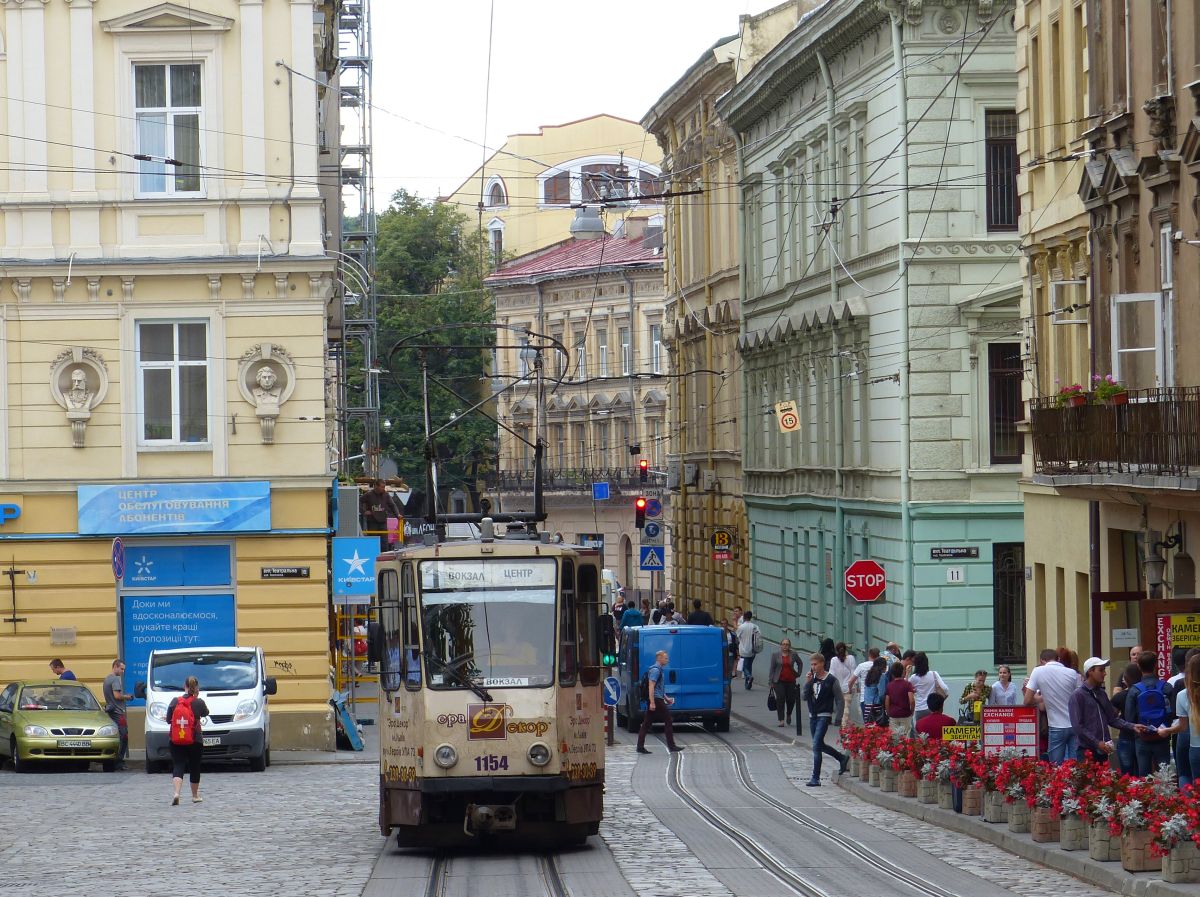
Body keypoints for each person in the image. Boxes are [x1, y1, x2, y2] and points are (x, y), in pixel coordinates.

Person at [1070, 657, 1145, 763]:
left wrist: (1132, 726)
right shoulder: (1078, 695)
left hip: (1103, 748)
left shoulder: (1101, 694)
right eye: (1101, 670)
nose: (1104, 673)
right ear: (1090, 671)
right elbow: (1078, 727)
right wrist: (1097, 742)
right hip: (1086, 750)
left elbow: (1112, 719)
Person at [1024, 647, 1082, 764]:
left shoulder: (1038, 671)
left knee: (1056, 766)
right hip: (1075, 724)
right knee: (1075, 766)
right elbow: (1081, 699)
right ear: (1058, 659)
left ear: (1041, 661)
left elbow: (1027, 700)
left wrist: (1042, 697)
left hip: (1056, 725)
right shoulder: (1073, 674)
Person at [801, 652, 847, 786]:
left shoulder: (831, 680)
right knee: (819, 744)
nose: (813, 667)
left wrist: (838, 717)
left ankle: (815, 777)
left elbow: (840, 699)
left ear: (822, 664)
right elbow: (804, 697)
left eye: (815, 664)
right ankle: (841, 758)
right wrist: (807, 683)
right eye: (812, 665)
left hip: (824, 715)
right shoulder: (812, 679)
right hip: (812, 716)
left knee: (816, 745)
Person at [1125, 650, 1173, 776]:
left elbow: (1129, 717)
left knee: (1144, 777)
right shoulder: (1166, 687)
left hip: (1142, 737)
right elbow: (1174, 714)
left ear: (1139, 666)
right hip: (1162, 736)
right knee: (1164, 777)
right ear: (1155, 665)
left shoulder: (1134, 690)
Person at [167, 676, 210, 805]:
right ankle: (195, 795)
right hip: (195, 739)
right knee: (194, 766)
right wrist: (196, 696)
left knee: (178, 764)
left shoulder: (175, 701)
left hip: (176, 740)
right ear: (196, 688)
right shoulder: (199, 702)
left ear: (183, 686)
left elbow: (168, 719)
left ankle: (176, 793)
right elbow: (206, 713)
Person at [636, 650, 682, 755]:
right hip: (656, 700)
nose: (667, 659)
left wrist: (666, 698)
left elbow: (658, 688)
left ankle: (640, 746)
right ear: (659, 658)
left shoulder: (659, 670)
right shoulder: (656, 670)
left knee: (646, 723)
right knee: (668, 720)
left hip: (658, 698)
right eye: (665, 658)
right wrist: (652, 702)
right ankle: (671, 745)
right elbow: (651, 686)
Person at [1112, 662, 1142, 775]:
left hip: (1126, 736)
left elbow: (1112, 716)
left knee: (1127, 772)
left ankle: (1129, 791)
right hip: (1143, 736)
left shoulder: (1120, 696)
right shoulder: (1144, 693)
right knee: (1142, 771)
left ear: (1125, 679)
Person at [102, 659, 129, 770]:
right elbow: (117, 696)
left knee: (116, 736)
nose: (122, 671)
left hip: (111, 711)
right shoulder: (115, 680)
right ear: (116, 666)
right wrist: (127, 697)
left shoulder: (106, 679)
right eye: (121, 669)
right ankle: (119, 761)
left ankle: (114, 760)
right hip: (118, 712)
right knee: (124, 736)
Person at [908, 652, 949, 726]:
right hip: (932, 708)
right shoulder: (934, 674)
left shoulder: (913, 678)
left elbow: (906, 688)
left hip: (919, 709)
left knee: (921, 733)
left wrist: (907, 674)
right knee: (933, 730)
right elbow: (945, 689)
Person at [768, 638, 801, 727]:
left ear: (789, 646)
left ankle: (789, 713)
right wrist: (770, 681)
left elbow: (800, 663)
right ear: (781, 645)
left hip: (790, 680)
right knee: (780, 699)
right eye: (783, 644)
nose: (785, 646)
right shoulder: (775, 655)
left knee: (791, 700)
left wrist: (798, 673)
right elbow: (772, 668)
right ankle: (781, 720)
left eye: (787, 644)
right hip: (778, 681)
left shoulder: (793, 654)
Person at [359, 479, 400, 549]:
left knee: (384, 543)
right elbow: (359, 501)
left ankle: (385, 556)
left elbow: (392, 505)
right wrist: (363, 511)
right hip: (372, 522)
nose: (383, 489)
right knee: (372, 542)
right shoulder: (369, 494)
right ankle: (373, 556)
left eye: (384, 487)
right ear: (376, 486)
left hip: (383, 522)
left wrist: (398, 514)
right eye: (382, 487)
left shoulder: (386, 495)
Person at [884, 661, 915, 737]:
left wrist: (888, 712)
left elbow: (887, 702)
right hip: (905, 714)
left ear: (892, 674)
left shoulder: (889, 686)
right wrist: (912, 711)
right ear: (902, 672)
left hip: (893, 714)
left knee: (895, 738)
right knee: (906, 736)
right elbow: (912, 700)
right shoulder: (908, 684)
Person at [829, 642, 858, 723]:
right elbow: (854, 672)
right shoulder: (851, 658)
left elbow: (832, 674)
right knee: (846, 707)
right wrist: (855, 685)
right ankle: (843, 723)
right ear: (846, 649)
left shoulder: (834, 660)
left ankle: (839, 719)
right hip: (849, 686)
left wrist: (830, 686)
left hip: (837, 687)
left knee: (839, 704)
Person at [849, 647, 881, 720]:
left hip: (864, 698)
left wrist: (850, 690)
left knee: (867, 723)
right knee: (878, 722)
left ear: (869, 655)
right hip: (877, 699)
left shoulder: (862, 666)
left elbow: (851, 681)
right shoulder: (880, 667)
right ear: (878, 656)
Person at [736, 611, 763, 689]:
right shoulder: (755, 626)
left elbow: (737, 637)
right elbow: (759, 637)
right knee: (749, 666)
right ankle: (748, 685)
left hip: (743, 650)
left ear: (744, 617)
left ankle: (748, 676)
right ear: (751, 617)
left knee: (744, 667)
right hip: (753, 650)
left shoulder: (741, 627)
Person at [861, 656, 889, 726]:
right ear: (883, 666)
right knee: (880, 731)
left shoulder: (869, 675)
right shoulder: (881, 676)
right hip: (877, 706)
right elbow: (882, 694)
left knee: (869, 731)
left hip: (867, 706)